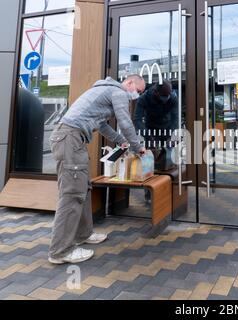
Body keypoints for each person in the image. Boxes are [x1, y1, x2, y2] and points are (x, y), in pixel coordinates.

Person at [48, 75, 146, 264]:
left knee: (82, 189)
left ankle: (83, 234)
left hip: (72, 139)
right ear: (130, 83)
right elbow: (125, 122)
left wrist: (122, 142)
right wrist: (137, 147)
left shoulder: (104, 90)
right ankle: (60, 251)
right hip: (70, 138)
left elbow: (101, 126)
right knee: (72, 194)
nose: (137, 96)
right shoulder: (118, 91)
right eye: (138, 91)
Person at [133, 79, 178, 147]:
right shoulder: (143, 98)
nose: (167, 98)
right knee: (153, 154)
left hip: (168, 129)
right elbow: (137, 120)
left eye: (169, 94)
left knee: (169, 154)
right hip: (151, 130)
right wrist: (148, 135)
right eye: (164, 95)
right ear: (156, 92)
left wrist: (172, 135)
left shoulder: (173, 97)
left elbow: (175, 118)